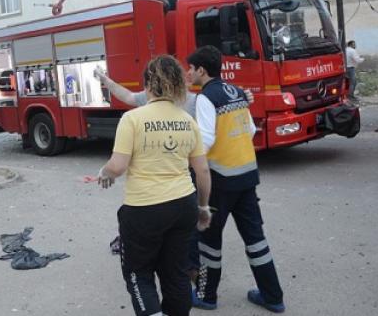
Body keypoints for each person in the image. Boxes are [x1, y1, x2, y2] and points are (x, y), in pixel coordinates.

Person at [94, 60, 255, 281]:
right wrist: (106, 80)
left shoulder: (197, 101)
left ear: (152, 83)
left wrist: (245, 95)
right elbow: (128, 96)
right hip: (185, 181)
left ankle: (188, 270)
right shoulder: (169, 99)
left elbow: (117, 162)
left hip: (163, 182)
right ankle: (185, 272)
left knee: (173, 236)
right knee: (182, 230)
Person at [97, 55, 212, 316]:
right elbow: (202, 170)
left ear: (148, 84)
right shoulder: (187, 120)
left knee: (139, 273)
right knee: (176, 274)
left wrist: (104, 173)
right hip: (184, 206)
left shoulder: (133, 119)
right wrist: (203, 207)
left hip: (144, 210)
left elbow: (117, 166)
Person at [185, 46, 285, 313]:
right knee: (256, 238)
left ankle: (206, 296)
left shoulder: (206, 97)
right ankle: (273, 296)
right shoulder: (236, 92)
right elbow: (250, 129)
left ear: (202, 70)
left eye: (191, 69)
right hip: (247, 177)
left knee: (208, 242)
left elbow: (205, 140)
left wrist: (187, 162)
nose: (188, 73)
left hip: (220, 182)